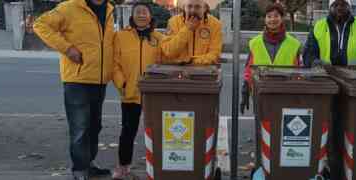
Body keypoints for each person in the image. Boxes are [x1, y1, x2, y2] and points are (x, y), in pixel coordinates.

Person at [33, 0, 115, 178]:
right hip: (77, 79)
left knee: (94, 126)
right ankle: (79, 170)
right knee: (80, 127)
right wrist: (67, 48)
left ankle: (89, 165)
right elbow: (40, 25)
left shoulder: (109, 9)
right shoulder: (69, 7)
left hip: (99, 79)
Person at [110, 2, 167, 179]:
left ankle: (161, 165)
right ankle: (123, 167)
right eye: (138, 12)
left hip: (154, 93)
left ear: (150, 16)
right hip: (131, 93)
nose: (141, 15)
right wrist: (123, 84)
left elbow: (166, 61)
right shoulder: (121, 36)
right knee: (128, 131)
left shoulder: (160, 38)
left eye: (145, 12)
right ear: (132, 16)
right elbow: (114, 64)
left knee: (159, 131)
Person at [241, 3, 302, 113]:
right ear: (265, 19)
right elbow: (249, 69)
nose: (272, 19)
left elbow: (297, 72)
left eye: (276, 16)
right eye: (269, 16)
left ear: (282, 18)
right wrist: (245, 87)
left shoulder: (294, 44)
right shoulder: (255, 43)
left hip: (284, 96)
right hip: (261, 94)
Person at [163, 0, 222, 65]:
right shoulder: (173, 22)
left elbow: (215, 54)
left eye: (197, 7)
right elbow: (168, 51)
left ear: (205, 8)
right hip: (177, 70)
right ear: (184, 7)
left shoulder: (215, 24)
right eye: (189, 6)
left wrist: (191, 61)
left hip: (204, 70)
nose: (193, 10)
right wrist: (188, 29)